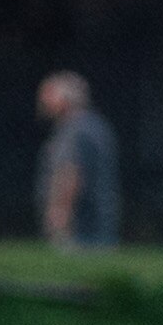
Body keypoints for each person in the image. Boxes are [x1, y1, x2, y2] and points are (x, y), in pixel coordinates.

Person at [37, 72, 120, 252]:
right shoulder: (96, 126)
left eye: (49, 94)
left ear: (66, 99)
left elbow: (69, 173)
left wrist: (59, 217)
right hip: (100, 225)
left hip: (81, 229)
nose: (42, 100)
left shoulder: (75, 130)